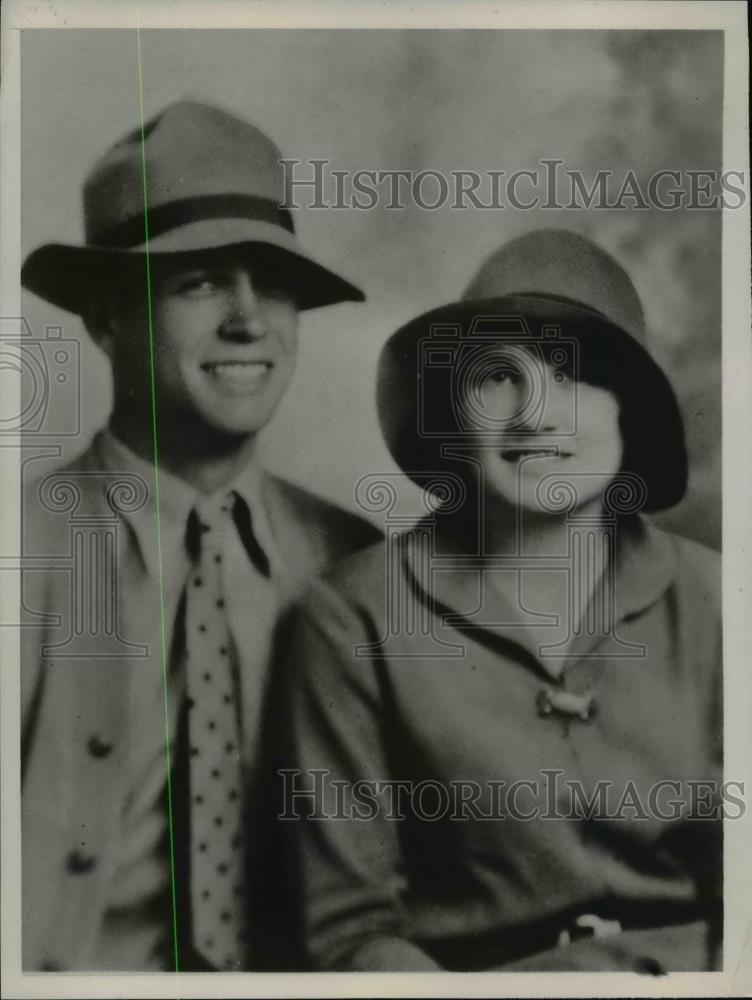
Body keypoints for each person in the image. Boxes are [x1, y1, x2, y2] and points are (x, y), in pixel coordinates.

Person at [278, 229, 722, 973]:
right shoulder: (352, 618)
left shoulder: (716, 601)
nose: (533, 413)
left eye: (574, 374)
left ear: (629, 410)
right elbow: (351, 935)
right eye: (496, 376)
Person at [19, 99, 380, 972]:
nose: (249, 320)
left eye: (273, 282)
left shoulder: (356, 559)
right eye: (200, 281)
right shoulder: (18, 549)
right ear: (106, 320)